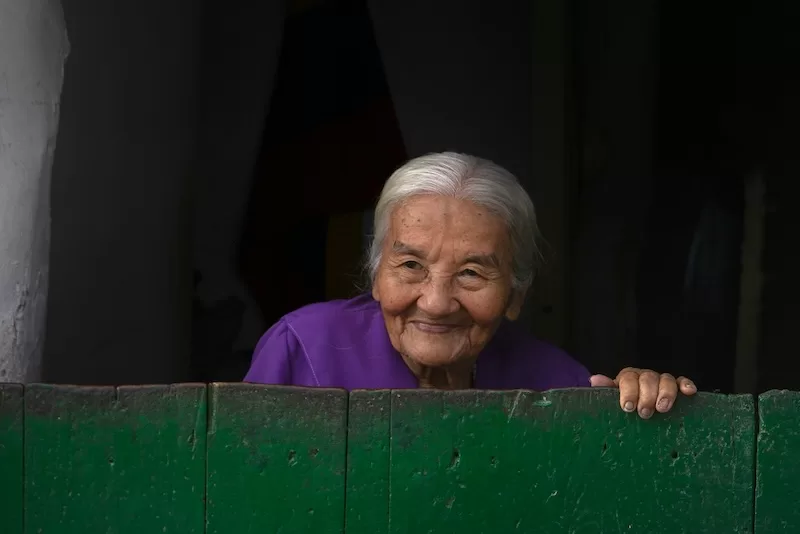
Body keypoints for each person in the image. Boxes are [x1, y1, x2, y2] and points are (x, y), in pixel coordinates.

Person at [244, 152, 696, 418]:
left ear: (516, 295)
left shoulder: (556, 385)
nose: (437, 302)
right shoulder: (302, 348)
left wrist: (645, 402)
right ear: (376, 275)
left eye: (471, 274)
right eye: (411, 265)